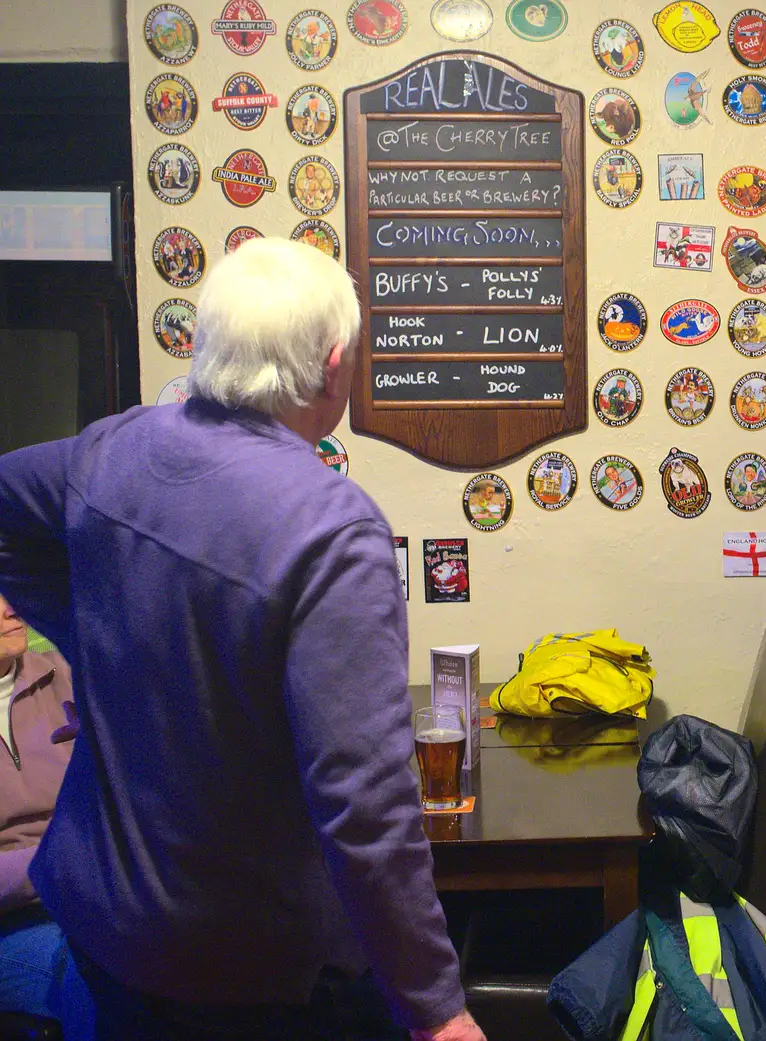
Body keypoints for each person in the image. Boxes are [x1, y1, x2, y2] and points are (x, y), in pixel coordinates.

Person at [0, 238, 483, 1041]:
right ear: (335, 365)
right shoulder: (332, 527)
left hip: (105, 927)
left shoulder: (112, 447)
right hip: (246, 973)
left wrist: (94, 648)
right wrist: (437, 1009)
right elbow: (364, 803)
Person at [0, 596, 92, 1039]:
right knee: (94, 978)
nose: (11, 609)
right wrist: (68, 861)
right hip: (17, 922)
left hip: (97, 897)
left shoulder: (69, 675)